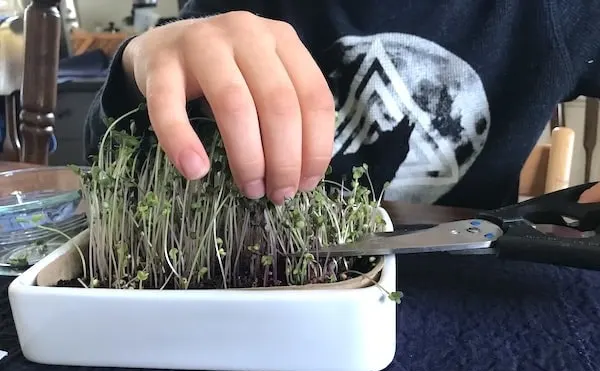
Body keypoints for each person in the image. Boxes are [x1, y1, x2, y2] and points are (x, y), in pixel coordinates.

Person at [84, 0, 600, 209]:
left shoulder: (561, 12)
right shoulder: (237, 6)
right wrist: (139, 67)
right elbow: (112, 168)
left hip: (471, 303)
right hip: (259, 295)